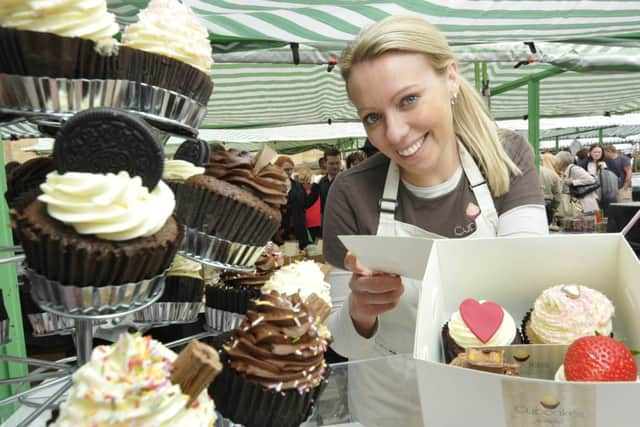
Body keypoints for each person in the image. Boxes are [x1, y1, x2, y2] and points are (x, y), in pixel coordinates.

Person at [322, 15, 547, 426]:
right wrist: (360, 310)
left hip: (491, 396)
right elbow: (342, 341)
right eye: (372, 116)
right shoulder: (351, 192)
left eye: (408, 100)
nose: (395, 133)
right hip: (391, 406)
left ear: (451, 78)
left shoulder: (507, 157)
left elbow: (527, 289)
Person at [274, 156, 309, 249]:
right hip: (280, 229)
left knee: (300, 256)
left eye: (291, 169)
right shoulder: (273, 186)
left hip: (298, 227)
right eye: (286, 169)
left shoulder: (298, 186)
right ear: (278, 169)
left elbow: (305, 203)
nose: (289, 172)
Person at [556, 151, 599, 215]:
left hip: (585, 202)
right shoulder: (566, 170)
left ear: (561, 162)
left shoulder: (574, 169)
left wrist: (573, 182)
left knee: (590, 220)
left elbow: (591, 179)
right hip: (579, 202)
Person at [306, 147, 342, 220]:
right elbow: (308, 203)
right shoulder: (321, 182)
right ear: (325, 163)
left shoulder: (348, 180)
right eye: (331, 163)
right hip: (328, 224)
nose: (335, 166)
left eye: (337, 163)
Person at [296, 167, 322, 242]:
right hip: (316, 220)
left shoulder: (300, 191)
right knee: (317, 244)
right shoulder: (315, 189)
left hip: (305, 221)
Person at [539, 152, 561, 225]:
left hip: (529, 205)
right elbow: (557, 194)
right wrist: (554, 207)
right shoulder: (552, 173)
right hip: (547, 204)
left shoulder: (524, 172)